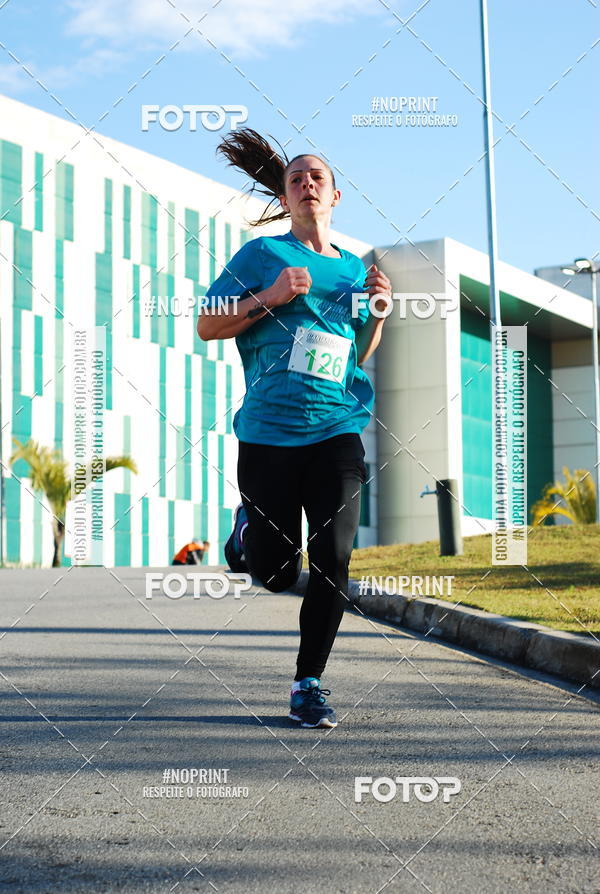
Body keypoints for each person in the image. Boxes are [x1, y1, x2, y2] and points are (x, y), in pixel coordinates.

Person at [197, 128, 391, 728]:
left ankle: (309, 683)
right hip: (269, 433)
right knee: (277, 572)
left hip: (336, 428)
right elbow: (208, 324)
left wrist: (377, 312)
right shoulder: (262, 257)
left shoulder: (355, 272)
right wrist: (271, 297)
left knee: (333, 556)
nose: (307, 184)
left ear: (335, 197)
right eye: (295, 178)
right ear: (285, 198)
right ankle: (248, 531)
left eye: (317, 178)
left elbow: (356, 353)